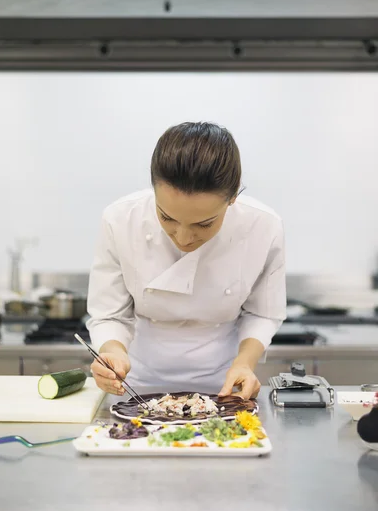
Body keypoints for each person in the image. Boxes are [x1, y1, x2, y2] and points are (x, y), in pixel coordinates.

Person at [87, 122, 286, 399]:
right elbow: (109, 314)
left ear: (232, 198)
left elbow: (263, 313)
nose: (182, 237)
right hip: (135, 385)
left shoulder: (263, 226)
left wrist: (245, 363)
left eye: (204, 224)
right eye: (167, 217)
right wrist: (112, 352)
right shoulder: (120, 220)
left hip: (224, 387)